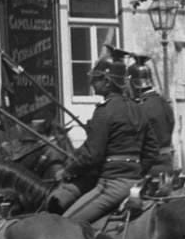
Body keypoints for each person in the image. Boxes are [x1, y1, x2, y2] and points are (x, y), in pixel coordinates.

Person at [48, 54, 146, 228]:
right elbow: (151, 150)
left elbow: (92, 155)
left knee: (64, 226)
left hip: (112, 184)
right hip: (137, 182)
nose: (92, 84)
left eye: (96, 80)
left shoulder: (104, 111)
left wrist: (67, 171)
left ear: (107, 82)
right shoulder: (137, 108)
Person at [125, 50, 175, 192]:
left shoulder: (140, 107)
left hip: (149, 168)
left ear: (133, 84)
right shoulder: (164, 102)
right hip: (167, 165)